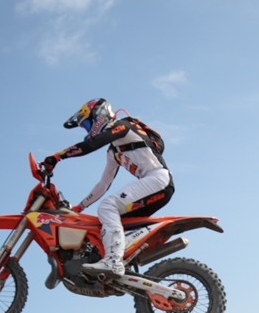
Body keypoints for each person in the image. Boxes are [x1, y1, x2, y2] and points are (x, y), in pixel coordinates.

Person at [41, 98, 173, 277]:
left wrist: (57, 157)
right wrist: (80, 207)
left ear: (99, 115)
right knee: (108, 221)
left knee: (107, 206)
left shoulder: (123, 126)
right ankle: (123, 264)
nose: (88, 129)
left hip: (157, 179)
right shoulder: (114, 152)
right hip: (155, 186)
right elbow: (104, 183)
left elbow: (90, 145)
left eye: (87, 124)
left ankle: (113, 261)